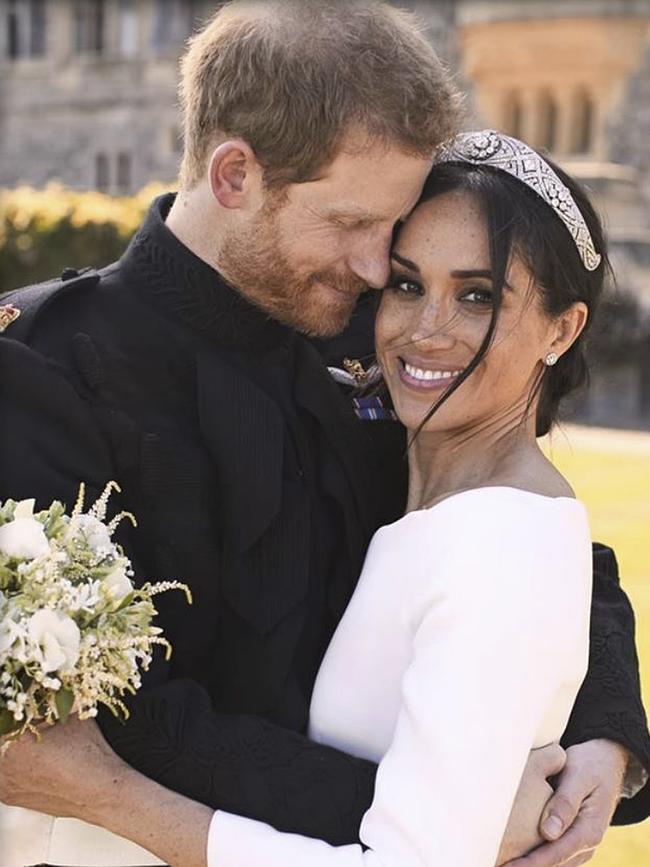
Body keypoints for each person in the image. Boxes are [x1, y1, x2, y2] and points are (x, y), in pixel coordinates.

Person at [0, 3, 648, 866]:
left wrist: (608, 732)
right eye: (354, 225)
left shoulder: (383, 338)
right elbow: (132, 721)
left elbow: (525, 529)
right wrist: (440, 815)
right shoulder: (41, 366)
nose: (382, 269)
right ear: (234, 175)